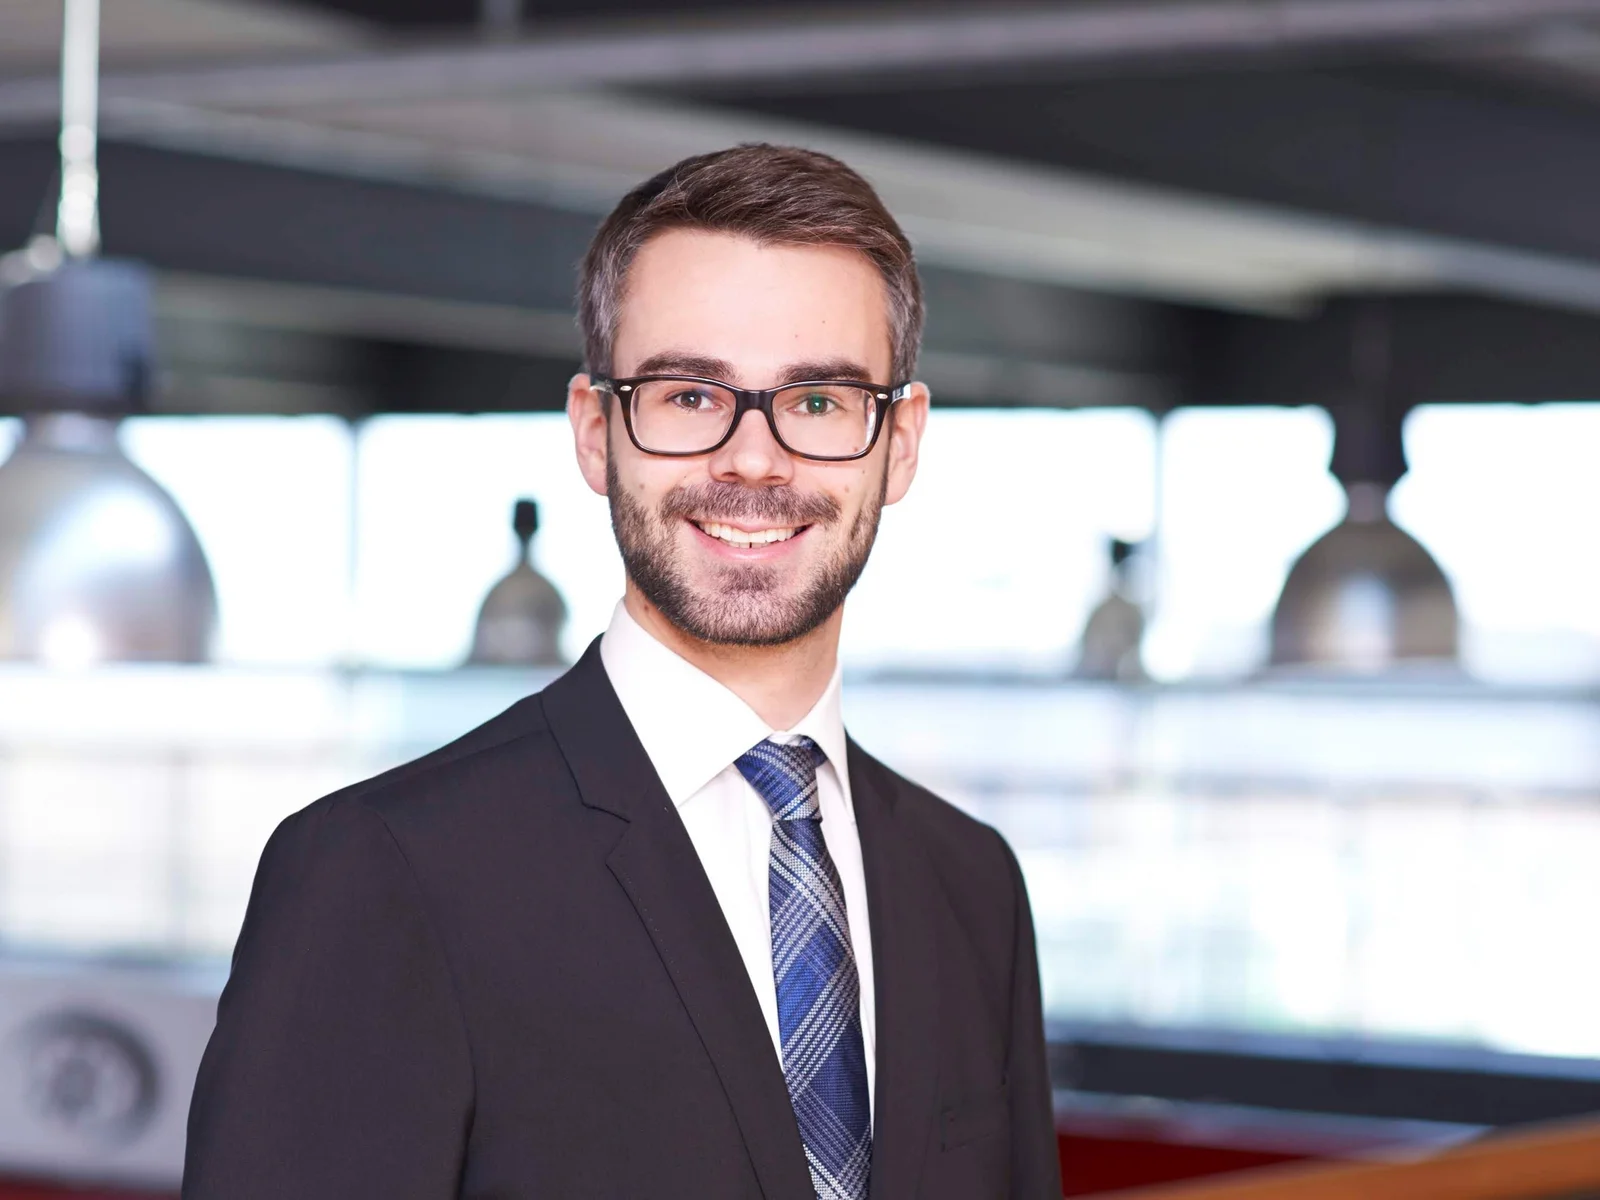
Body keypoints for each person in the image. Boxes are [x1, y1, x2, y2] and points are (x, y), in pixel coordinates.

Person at [183, 143, 1061, 1200]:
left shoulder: (969, 886)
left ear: (901, 443)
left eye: (819, 402)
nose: (752, 460)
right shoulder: (383, 874)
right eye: (690, 396)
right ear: (596, 433)